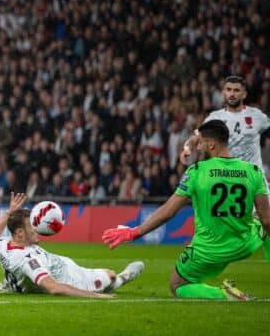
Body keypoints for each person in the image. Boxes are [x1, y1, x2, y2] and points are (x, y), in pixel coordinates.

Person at [103, 120, 270, 300]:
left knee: (177, 285)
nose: (199, 147)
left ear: (212, 144)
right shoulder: (253, 171)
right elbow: (267, 220)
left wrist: (136, 232)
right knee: (262, 223)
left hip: (208, 250)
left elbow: (169, 211)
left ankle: (224, 295)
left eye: (202, 143)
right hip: (244, 244)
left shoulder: (197, 171)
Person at [0, 192, 144, 298]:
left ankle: (15, 284)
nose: (37, 228)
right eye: (32, 226)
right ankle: (125, 277)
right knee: (110, 275)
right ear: (20, 233)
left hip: (61, 264)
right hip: (73, 280)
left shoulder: (4, 244)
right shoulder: (28, 260)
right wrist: (95, 296)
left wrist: (9, 213)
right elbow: (54, 288)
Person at [180, 76, 270, 171]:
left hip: (251, 178)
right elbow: (196, 136)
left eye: (236, 90)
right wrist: (187, 148)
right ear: (223, 93)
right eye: (229, 90)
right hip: (226, 176)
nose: (232, 93)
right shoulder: (215, 117)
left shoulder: (256, 115)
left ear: (244, 94)